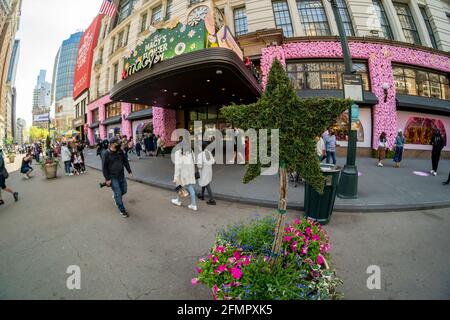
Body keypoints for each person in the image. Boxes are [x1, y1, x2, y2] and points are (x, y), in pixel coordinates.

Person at [102, 136, 133, 217]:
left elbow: (125, 161)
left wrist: (129, 171)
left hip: (121, 176)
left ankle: (116, 197)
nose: (119, 144)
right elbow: (104, 168)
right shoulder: (106, 153)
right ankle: (122, 210)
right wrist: (107, 179)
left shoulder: (120, 151)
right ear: (112, 144)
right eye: (117, 143)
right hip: (112, 178)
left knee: (124, 190)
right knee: (118, 193)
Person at [171, 139, 197, 211]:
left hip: (182, 173)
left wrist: (175, 176)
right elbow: (194, 160)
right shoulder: (191, 151)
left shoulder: (178, 152)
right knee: (190, 187)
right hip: (190, 172)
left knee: (179, 186)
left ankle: (178, 200)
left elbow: (177, 166)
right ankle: (193, 205)